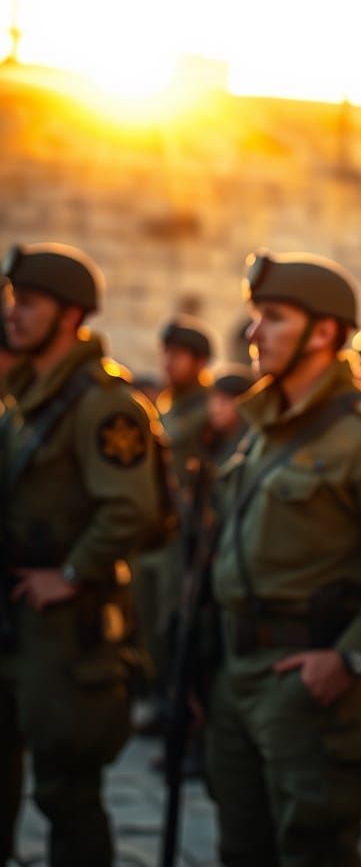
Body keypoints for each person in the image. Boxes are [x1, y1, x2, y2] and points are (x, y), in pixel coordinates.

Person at [205, 249, 361, 867]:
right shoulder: (263, 425)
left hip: (311, 680)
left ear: (325, 332)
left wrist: (353, 653)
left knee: (315, 848)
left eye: (274, 317)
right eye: (257, 317)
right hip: (238, 667)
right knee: (240, 845)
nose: (254, 333)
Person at [0, 243, 162, 866]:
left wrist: (71, 573)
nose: (13, 313)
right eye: (13, 299)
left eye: (29, 302)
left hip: (64, 630)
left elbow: (131, 507)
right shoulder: (27, 396)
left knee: (65, 793)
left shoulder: (100, 401)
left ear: (69, 316)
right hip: (17, 620)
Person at [136, 315, 215, 734]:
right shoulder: (166, 405)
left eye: (178, 355)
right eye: (166, 353)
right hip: (157, 529)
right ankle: (165, 702)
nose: (168, 362)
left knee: (178, 624)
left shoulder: (208, 407)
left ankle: (188, 719)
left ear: (199, 361)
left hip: (187, 534)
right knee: (152, 624)